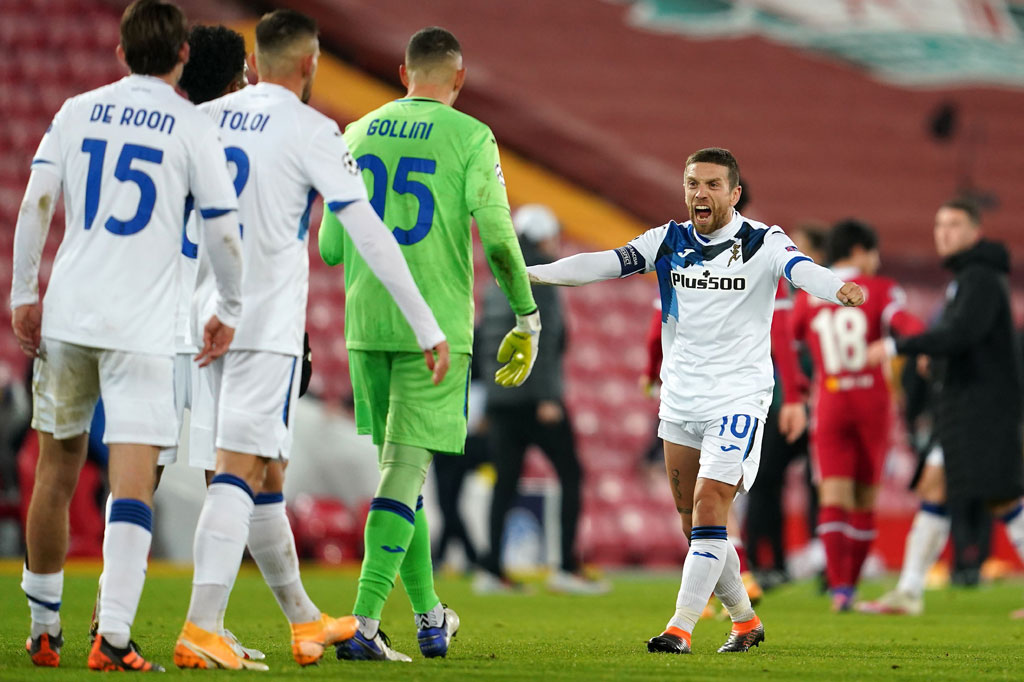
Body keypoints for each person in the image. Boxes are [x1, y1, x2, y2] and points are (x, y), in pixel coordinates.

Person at [173, 10, 449, 671]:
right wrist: (425, 322)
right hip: (261, 327)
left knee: (264, 474)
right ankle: (201, 624)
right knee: (240, 471)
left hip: (198, 320)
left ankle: (302, 620)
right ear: (308, 64)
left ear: (256, 60)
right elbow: (366, 232)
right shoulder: (309, 129)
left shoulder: (202, 121)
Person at [526, 147, 864, 654]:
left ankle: (679, 628)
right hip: (680, 399)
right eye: (691, 184)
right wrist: (535, 272)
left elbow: (801, 269)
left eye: (710, 184)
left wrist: (838, 289)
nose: (699, 194)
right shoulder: (668, 240)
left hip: (740, 397)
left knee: (711, 507)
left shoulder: (762, 241)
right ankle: (746, 623)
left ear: (734, 193)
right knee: (695, 524)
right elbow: (605, 263)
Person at [11, 0, 245, 671]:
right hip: (141, 328)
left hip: (69, 314)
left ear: (120, 53)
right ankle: (111, 636)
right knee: (133, 484)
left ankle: (43, 630)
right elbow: (225, 232)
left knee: (54, 474)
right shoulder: (191, 125)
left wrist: (25, 293)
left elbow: (36, 206)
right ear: (182, 56)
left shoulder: (76, 110)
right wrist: (229, 304)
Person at [319, 26, 539, 661]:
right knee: (404, 472)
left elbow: (332, 248)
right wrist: (526, 314)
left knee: (400, 476)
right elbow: (499, 238)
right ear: (459, 78)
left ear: (401, 72)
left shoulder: (355, 133)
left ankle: (429, 616)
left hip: (366, 326)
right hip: (434, 330)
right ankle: (362, 625)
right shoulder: (471, 136)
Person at [863, 198, 1024, 616]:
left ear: (975, 232)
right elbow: (958, 338)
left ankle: (910, 590)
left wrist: (902, 344)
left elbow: (961, 334)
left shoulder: (982, 278)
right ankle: (909, 592)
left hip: (982, 408)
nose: (944, 232)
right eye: (939, 225)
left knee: (1004, 499)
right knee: (934, 488)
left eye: (954, 225)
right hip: (958, 407)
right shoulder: (966, 278)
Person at [790, 219, 924, 611]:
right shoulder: (880, 289)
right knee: (864, 501)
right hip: (872, 403)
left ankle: (839, 591)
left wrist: (797, 387)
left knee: (832, 497)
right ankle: (851, 584)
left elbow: (785, 337)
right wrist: (906, 346)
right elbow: (908, 326)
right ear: (863, 251)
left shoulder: (811, 295)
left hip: (829, 402)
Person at [475, 204, 607, 595]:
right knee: (571, 474)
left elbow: (485, 341)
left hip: (501, 399)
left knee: (505, 483)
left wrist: (487, 398)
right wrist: (550, 396)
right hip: (537, 400)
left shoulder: (495, 276)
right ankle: (565, 565)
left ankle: (491, 570)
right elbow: (547, 338)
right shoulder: (543, 275)